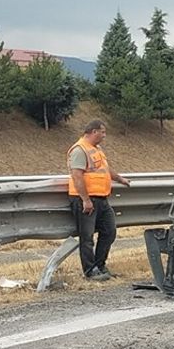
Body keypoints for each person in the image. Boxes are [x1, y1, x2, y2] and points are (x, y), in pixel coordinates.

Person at [67, 120, 130, 281]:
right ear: (94, 132)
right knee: (87, 237)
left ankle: (100, 266)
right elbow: (77, 176)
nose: (104, 135)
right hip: (86, 200)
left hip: (102, 199)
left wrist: (120, 179)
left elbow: (105, 169)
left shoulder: (96, 149)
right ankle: (90, 271)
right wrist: (85, 200)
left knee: (109, 231)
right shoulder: (79, 150)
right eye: (102, 132)